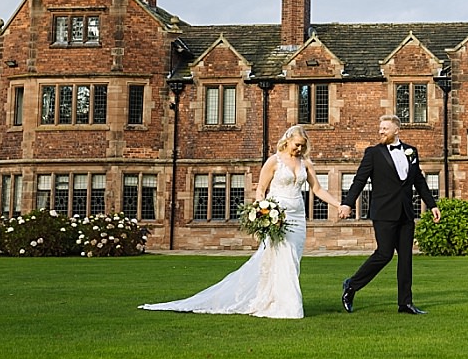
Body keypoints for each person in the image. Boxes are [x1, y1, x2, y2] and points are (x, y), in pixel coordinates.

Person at [141, 126, 342, 318]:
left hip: (298, 219)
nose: (299, 149)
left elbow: (317, 190)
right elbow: (261, 190)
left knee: (293, 261)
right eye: (296, 144)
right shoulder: (274, 161)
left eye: (302, 145)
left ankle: (276, 300)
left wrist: (338, 205)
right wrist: (263, 215)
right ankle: (287, 307)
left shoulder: (305, 163)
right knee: (284, 260)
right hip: (279, 217)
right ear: (287, 140)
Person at [338, 115, 441, 314]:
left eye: (385, 128)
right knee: (384, 254)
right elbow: (359, 180)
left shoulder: (412, 152)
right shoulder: (373, 153)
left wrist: (432, 204)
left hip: (405, 213)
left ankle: (405, 303)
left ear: (396, 130)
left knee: (405, 259)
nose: (381, 132)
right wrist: (347, 203)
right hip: (383, 212)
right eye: (380, 128)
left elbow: (418, 181)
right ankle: (351, 285)